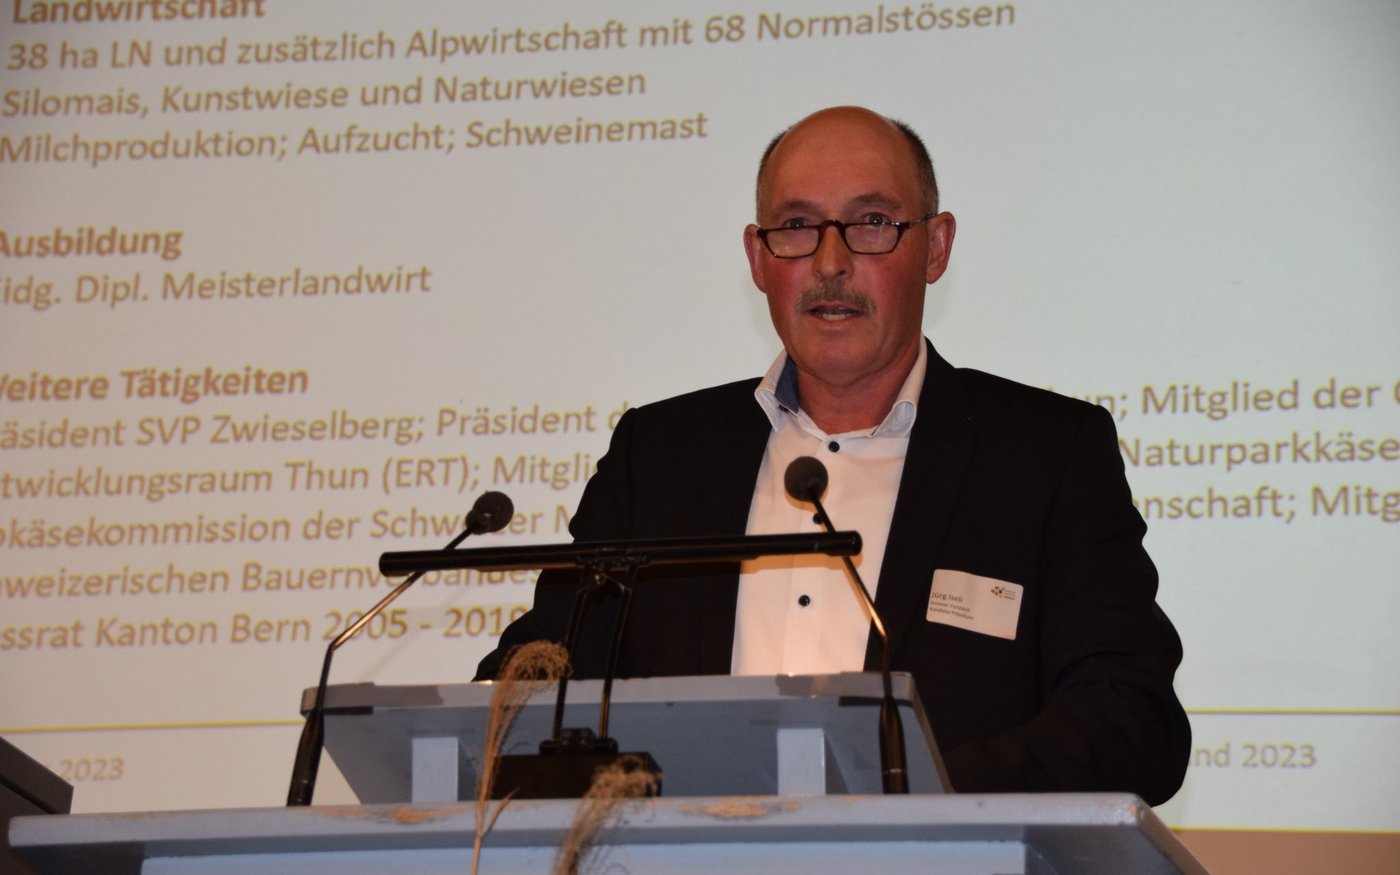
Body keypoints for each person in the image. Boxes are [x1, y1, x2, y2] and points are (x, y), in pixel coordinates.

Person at [477, 106, 1191, 805]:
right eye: (796, 226)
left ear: (935, 248)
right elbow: (540, 676)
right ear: (758, 259)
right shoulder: (659, 457)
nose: (830, 262)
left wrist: (917, 796)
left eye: (872, 222)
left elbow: (1132, 720)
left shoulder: (1044, 455)